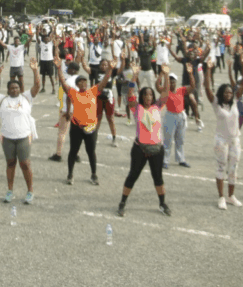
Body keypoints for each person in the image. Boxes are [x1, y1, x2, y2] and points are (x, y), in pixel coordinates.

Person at [118, 63, 171, 217]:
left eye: (150, 95)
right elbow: (130, 94)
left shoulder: (157, 107)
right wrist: (134, 75)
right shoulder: (137, 108)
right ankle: (122, 202)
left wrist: (166, 74)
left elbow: (166, 93)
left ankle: (162, 204)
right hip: (140, 149)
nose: (148, 97)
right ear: (142, 97)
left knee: (158, 178)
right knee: (133, 176)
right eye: (145, 95)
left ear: (153, 97)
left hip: (156, 149)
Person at [55, 52, 114, 186]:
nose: (83, 83)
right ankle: (70, 174)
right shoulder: (74, 93)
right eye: (80, 82)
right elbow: (63, 83)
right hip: (76, 127)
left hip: (91, 127)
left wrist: (110, 69)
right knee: (73, 151)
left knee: (91, 152)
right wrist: (59, 68)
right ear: (77, 85)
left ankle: (94, 174)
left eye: (84, 82)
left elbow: (104, 82)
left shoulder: (92, 91)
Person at [0, 59, 40, 204]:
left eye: (16, 87)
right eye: (12, 88)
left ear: (20, 89)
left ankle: (30, 191)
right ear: (8, 90)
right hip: (7, 138)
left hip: (23, 137)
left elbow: (37, 86)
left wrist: (35, 70)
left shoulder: (26, 97)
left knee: (25, 164)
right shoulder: (2, 99)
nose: (14, 90)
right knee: (10, 164)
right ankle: (10, 191)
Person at [203, 59, 240, 210]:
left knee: (233, 168)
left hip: (235, 140)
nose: (229, 94)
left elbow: (242, 86)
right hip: (221, 141)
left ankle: (231, 196)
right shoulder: (216, 103)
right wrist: (208, 69)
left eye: (230, 92)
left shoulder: (235, 102)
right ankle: (221, 197)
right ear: (221, 93)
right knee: (221, 167)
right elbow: (207, 88)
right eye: (226, 92)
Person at [158, 64, 197, 169]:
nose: (172, 83)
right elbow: (157, 86)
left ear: (176, 82)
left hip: (181, 116)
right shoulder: (166, 92)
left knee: (180, 139)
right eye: (170, 81)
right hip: (170, 116)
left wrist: (190, 73)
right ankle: (165, 160)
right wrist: (162, 74)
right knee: (168, 140)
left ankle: (181, 159)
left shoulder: (181, 90)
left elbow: (192, 86)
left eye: (173, 81)